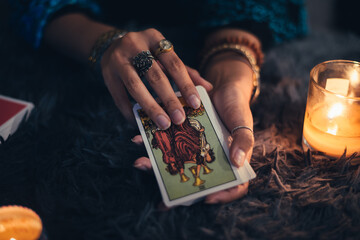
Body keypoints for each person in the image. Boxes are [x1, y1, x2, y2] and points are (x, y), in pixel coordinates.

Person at [8, 0, 307, 204]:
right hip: (71, 46)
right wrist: (106, 44)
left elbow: (255, 7)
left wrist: (232, 80)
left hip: (212, 39)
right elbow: (37, 6)